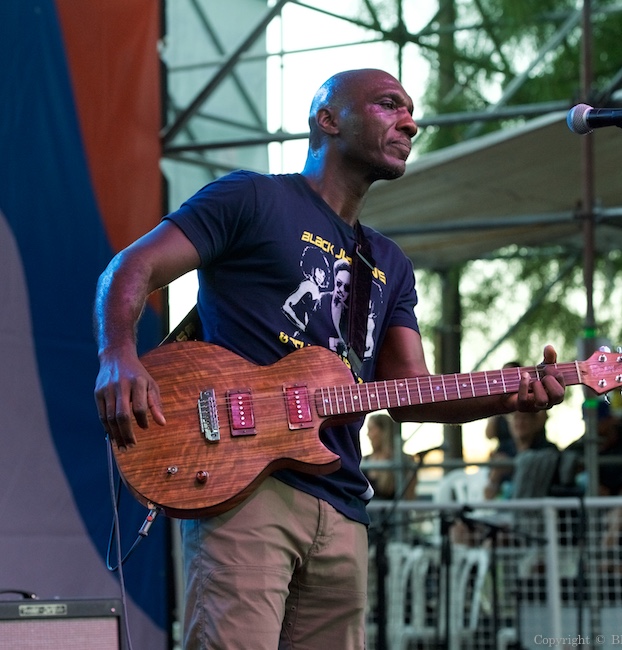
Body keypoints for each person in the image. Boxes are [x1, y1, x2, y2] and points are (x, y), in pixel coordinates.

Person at [93, 68, 567, 649]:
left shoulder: (389, 262)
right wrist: (118, 352)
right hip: (246, 489)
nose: (410, 122)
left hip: (342, 506)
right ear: (329, 119)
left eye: (410, 110)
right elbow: (132, 266)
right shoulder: (252, 198)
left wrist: (511, 391)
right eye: (389, 105)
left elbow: (411, 394)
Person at [363, 412, 416, 500]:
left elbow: (409, 498)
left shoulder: (405, 460)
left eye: (371, 429)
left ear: (384, 432)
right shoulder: (365, 460)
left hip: (393, 512)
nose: (368, 434)